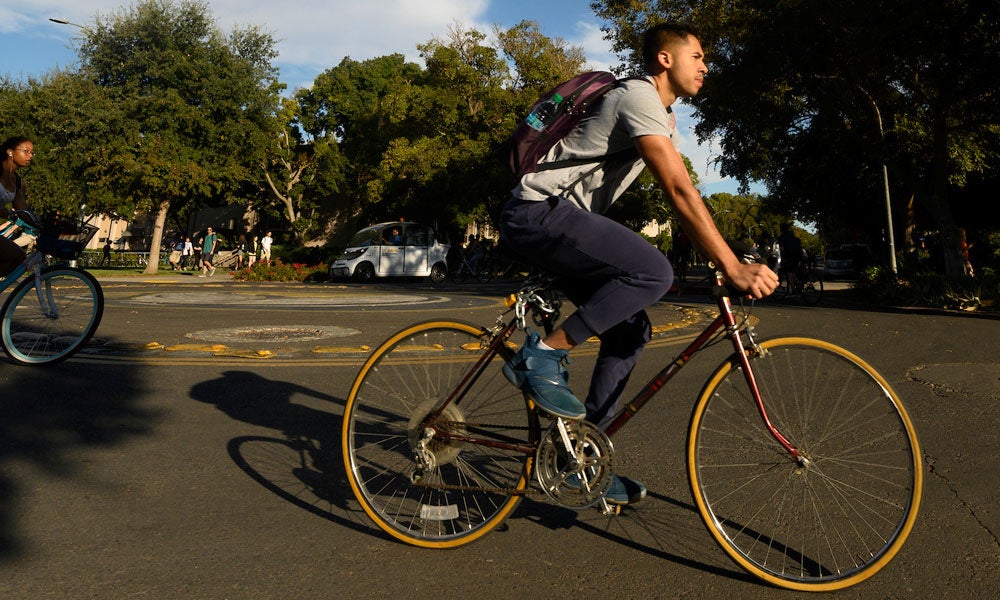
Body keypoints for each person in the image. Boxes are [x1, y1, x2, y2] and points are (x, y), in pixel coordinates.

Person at [499, 23, 778, 506]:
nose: (706, 66)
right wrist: (730, 266)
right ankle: (542, 353)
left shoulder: (663, 117)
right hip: (537, 212)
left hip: (562, 220)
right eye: (697, 55)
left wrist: (725, 251)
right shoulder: (638, 96)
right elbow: (679, 190)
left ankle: (579, 460)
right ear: (666, 59)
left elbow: (683, 199)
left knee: (630, 333)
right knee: (654, 272)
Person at [0, 137, 34, 276]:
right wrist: (5, 212)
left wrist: (41, 224)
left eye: (32, 152)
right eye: (26, 151)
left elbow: (23, 211)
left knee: (18, 257)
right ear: (10, 152)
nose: (30, 156)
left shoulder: (18, 181)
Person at [777, 222, 804, 291]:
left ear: (781, 229)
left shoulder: (781, 238)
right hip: (798, 255)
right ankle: (798, 284)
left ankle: (793, 289)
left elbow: (782, 249)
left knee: (789, 272)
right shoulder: (792, 236)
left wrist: (782, 258)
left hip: (789, 256)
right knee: (794, 270)